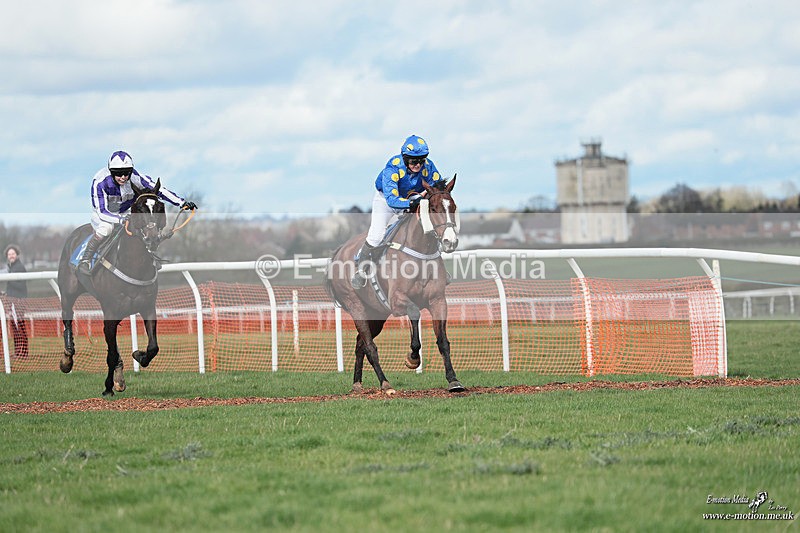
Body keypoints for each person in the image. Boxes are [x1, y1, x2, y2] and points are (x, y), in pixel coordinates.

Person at [78, 150, 197, 274]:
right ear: (111, 172)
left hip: (126, 212)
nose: (123, 177)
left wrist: (181, 203)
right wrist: (121, 220)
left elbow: (159, 190)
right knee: (106, 229)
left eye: (126, 173)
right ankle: (85, 260)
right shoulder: (100, 182)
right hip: (104, 216)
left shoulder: (136, 177)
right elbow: (102, 211)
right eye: (119, 173)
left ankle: (150, 258)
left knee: (147, 227)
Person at [351, 134, 445, 289]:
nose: (418, 164)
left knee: (428, 227)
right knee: (377, 236)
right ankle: (362, 269)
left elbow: (437, 187)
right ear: (405, 158)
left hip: (413, 198)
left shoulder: (429, 166)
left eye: (421, 160)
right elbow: (392, 200)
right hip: (387, 201)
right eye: (413, 161)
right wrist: (413, 201)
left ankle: (438, 266)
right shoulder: (393, 167)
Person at [3, 244, 29, 357]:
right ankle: (20, 351)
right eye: (9, 254)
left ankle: (21, 352)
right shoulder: (11, 267)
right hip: (13, 301)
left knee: (18, 326)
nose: (11, 256)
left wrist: (9, 279)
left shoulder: (18, 267)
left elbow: (21, 286)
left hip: (17, 302)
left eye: (13, 253)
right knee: (16, 326)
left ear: (17, 254)